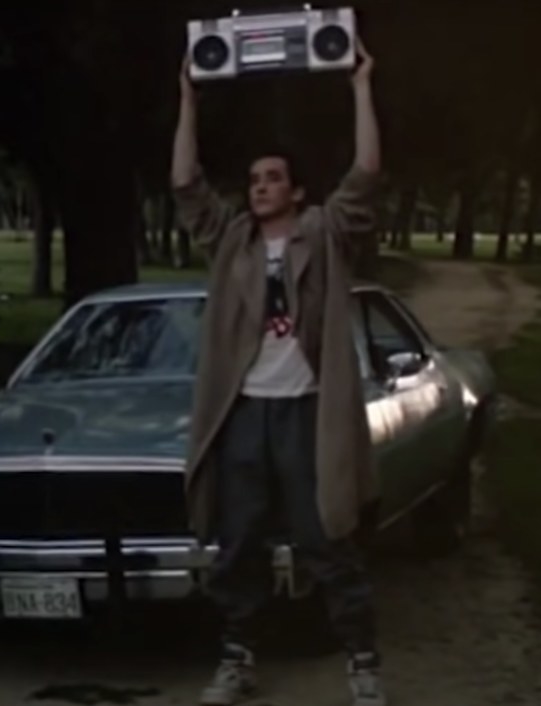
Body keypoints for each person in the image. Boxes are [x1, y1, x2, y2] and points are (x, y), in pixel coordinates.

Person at [171, 36, 385, 706]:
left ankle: (363, 660)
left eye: (272, 179)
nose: (259, 187)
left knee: (327, 538)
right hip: (245, 413)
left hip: (305, 410)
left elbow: (367, 175)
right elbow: (185, 183)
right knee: (240, 544)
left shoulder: (323, 231)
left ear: (295, 191)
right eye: (254, 179)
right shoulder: (231, 239)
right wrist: (187, 100)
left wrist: (359, 87)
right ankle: (238, 659)